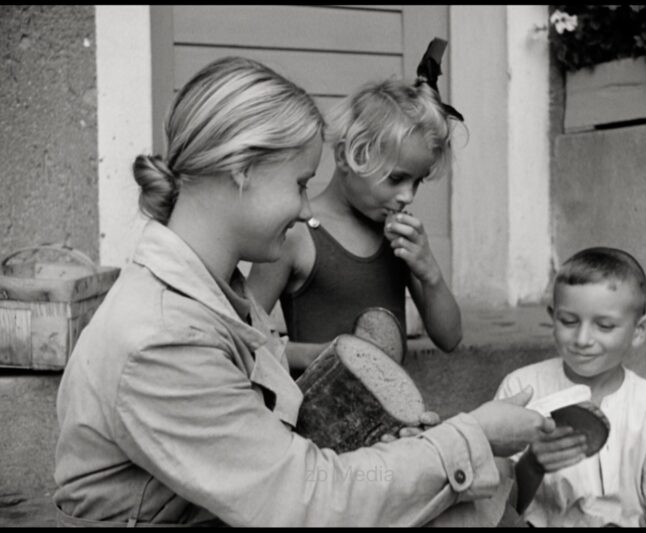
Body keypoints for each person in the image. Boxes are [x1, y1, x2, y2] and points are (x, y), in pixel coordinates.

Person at [53, 55, 553, 527]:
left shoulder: (214, 295)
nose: (304, 209)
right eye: (299, 183)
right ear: (242, 170)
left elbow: (274, 454)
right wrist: (472, 438)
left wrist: (393, 445)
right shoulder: (163, 340)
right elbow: (306, 498)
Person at [246, 39, 463, 375]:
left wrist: (430, 273)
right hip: (316, 420)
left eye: (417, 182)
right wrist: (320, 355)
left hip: (393, 422)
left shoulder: (399, 241)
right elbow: (245, 344)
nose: (408, 196)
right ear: (349, 156)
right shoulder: (298, 235)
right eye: (396, 179)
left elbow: (450, 339)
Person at [494, 246, 646, 527]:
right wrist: (532, 464)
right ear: (553, 317)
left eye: (604, 326)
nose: (582, 338)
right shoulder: (522, 389)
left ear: (639, 331)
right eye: (568, 321)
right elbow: (493, 507)